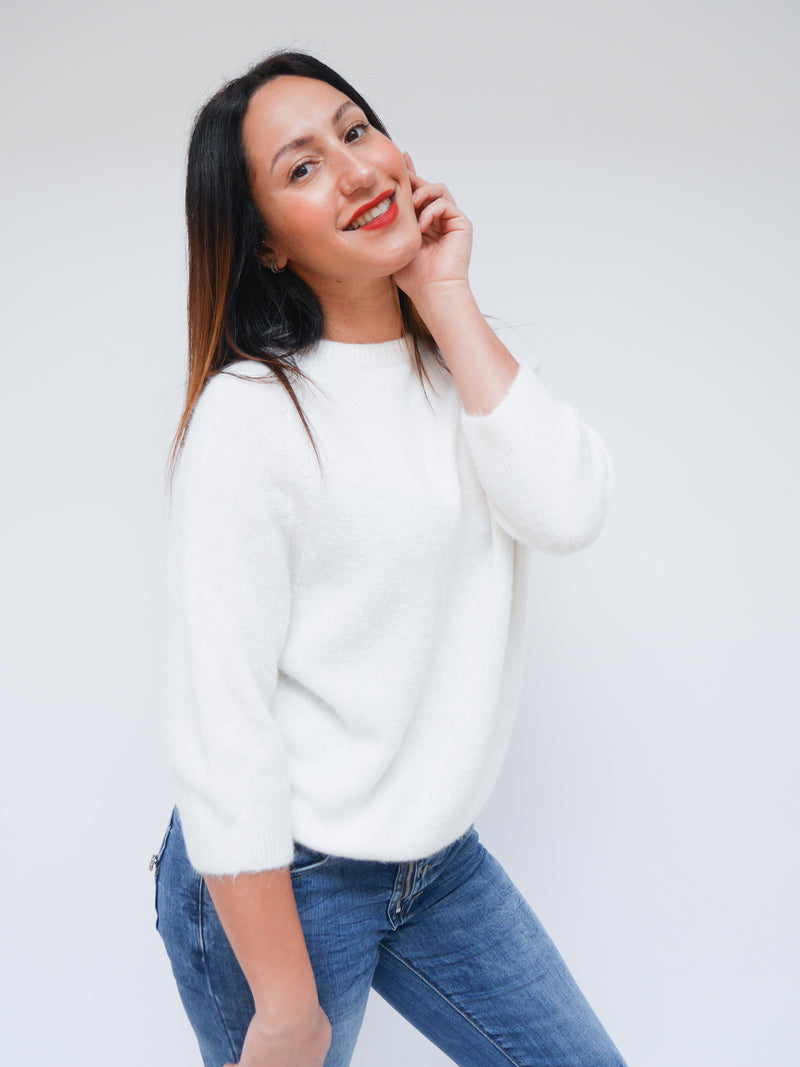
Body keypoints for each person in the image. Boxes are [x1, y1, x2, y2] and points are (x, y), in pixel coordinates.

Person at [151, 48, 627, 1067]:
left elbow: (568, 508)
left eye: (355, 130)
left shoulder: (460, 369)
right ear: (266, 245)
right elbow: (220, 719)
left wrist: (445, 294)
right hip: (285, 875)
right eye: (302, 167)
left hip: (435, 863)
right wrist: (284, 1004)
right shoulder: (252, 415)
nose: (355, 170)